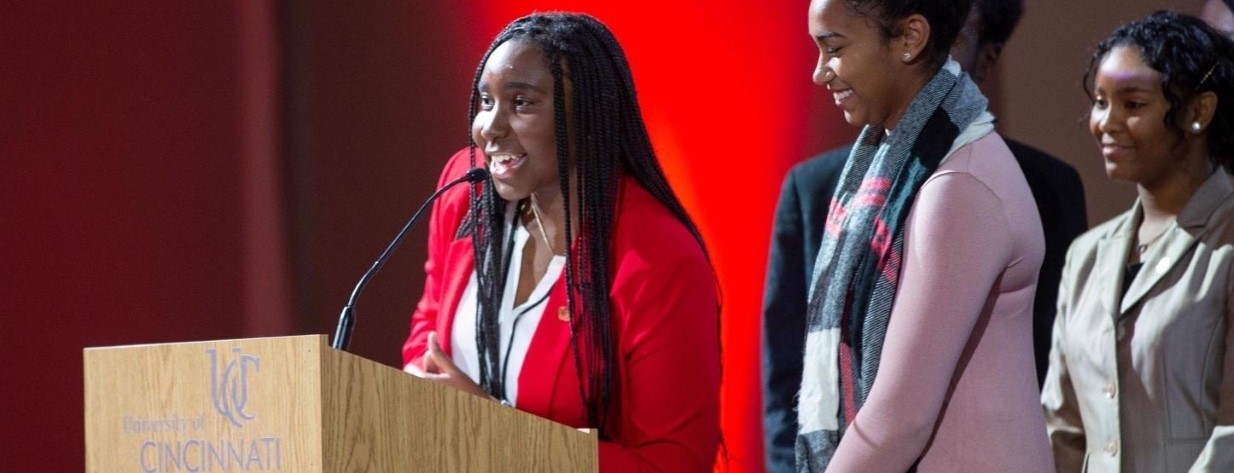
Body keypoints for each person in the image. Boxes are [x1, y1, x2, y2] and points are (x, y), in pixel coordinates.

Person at [762, 0, 1080, 471]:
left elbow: (900, 420)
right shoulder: (914, 168)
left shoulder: (959, 186)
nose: (819, 72)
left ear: (910, 38)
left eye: (835, 48)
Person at [400, 13, 721, 472]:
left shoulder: (657, 259)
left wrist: (491, 430)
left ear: (586, 117)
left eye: (522, 103)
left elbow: (674, 463)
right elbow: (428, 328)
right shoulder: (464, 190)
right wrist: (420, 385)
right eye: (487, 101)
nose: (489, 127)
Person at [1042, 11, 1234, 472]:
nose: (1105, 122)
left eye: (1132, 104)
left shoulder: (1227, 239)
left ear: (1198, 112)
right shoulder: (1086, 255)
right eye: (1100, 102)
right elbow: (1062, 429)